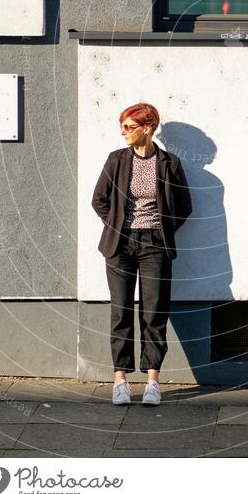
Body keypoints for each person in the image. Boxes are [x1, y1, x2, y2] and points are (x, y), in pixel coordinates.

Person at [91, 102, 192, 406]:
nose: (123, 132)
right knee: (121, 311)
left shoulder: (169, 163)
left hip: (155, 246)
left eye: (129, 126)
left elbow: (185, 206)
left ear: (147, 128)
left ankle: (152, 381)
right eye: (122, 126)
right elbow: (99, 200)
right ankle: (120, 380)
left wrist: (162, 231)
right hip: (119, 245)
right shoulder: (116, 160)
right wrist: (118, 225)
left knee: (154, 312)